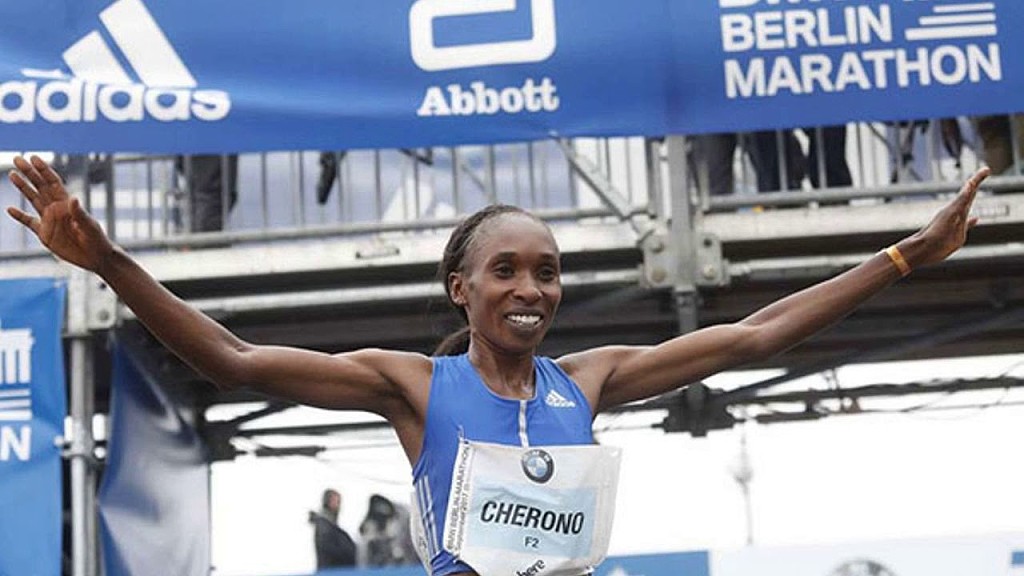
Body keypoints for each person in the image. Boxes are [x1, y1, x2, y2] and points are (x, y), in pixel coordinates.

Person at [5, 155, 989, 576]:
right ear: (461, 289)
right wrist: (111, 261)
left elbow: (755, 337)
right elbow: (234, 358)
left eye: (547, 272)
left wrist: (906, 255)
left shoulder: (588, 380)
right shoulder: (413, 388)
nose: (531, 288)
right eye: (506, 270)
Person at [308, 489, 358, 570]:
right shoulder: (324, 526)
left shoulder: (332, 527)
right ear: (328, 502)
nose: (339, 506)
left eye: (339, 502)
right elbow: (331, 549)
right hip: (331, 570)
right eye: (336, 502)